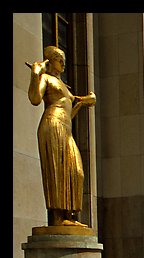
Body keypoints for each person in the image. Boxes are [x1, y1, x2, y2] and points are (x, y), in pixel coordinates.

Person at [28, 46, 96, 227]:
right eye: (59, 59)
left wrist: (82, 103)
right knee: (57, 170)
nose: (63, 63)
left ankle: (69, 215)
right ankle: (59, 218)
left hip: (66, 128)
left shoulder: (64, 86)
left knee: (77, 172)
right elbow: (35, 99)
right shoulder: (46, 79)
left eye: (63, 59)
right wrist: (35, 74)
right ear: (50, 61)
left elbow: (68, 112)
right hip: (52, 125)